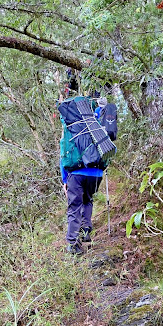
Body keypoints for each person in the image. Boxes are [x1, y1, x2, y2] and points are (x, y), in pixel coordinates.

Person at [60, 97, 108, 255]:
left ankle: (73, 243)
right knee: (87, 200)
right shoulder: (95, 123)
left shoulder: (70, 129)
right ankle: (86, 231)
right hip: (96, 173)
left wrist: (65, 180)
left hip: (77, 173)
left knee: (74, 207)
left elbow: (64, 156)